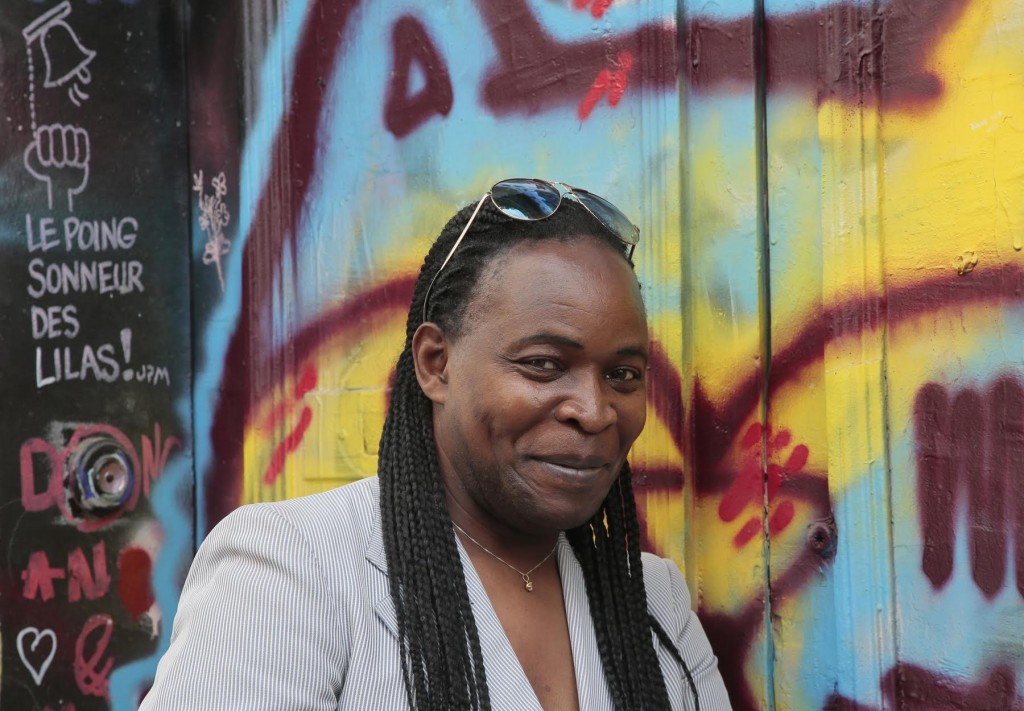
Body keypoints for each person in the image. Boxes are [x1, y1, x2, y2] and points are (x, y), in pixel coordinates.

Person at [141, 178, 732, 710]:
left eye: (623, 375)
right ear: (435, 364)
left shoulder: (654, 602)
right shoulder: (294, 571)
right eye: (545, 365)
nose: (594, 411)